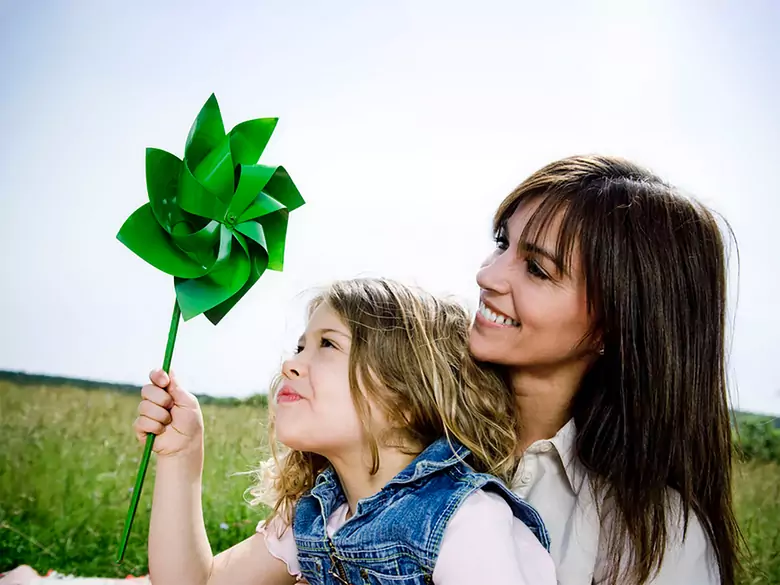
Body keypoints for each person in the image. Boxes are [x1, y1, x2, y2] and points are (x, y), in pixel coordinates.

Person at [133, 278, 557, 585]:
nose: (290, 364)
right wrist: (181, 459)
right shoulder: (321, 515)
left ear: (405, 399)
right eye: (300, 346)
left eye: (328, 345)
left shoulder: (465, 519)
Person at [469, 155, 742, 585]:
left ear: (613, 325)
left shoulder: (661, 541)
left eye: (538, 269)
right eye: (503, 244)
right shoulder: (409, 432)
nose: (488, 275)